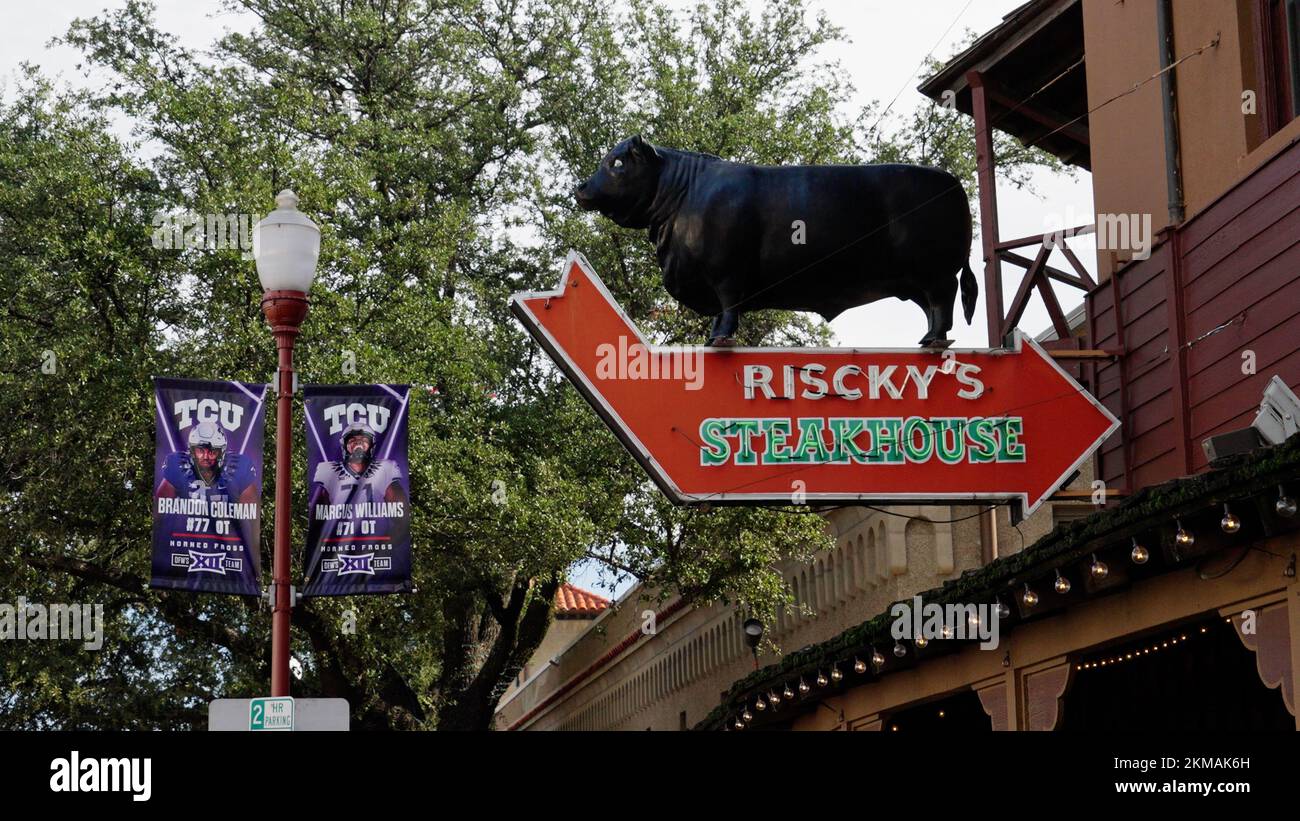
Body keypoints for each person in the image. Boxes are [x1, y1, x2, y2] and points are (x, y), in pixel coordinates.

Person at [158, 420, 257, 505]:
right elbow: (161, 508)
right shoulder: (178, 466)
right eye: (200, 451)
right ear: (192, 451)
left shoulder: (239, 468)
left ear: (221, 452)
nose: (206, 457)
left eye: (212, 452)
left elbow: (250, 514)